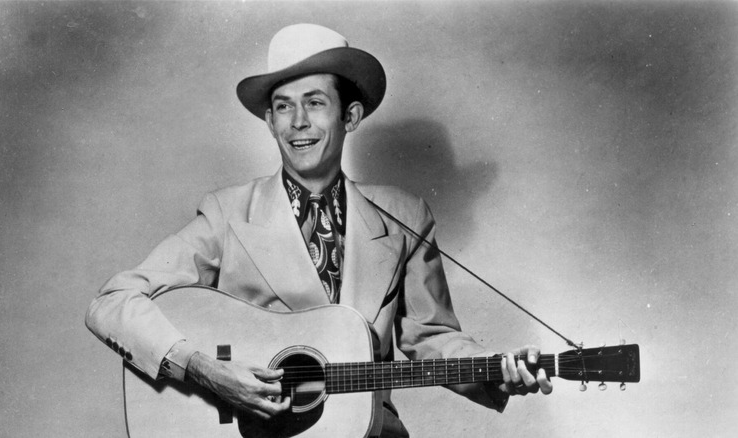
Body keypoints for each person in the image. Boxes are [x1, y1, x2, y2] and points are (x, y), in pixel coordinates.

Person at [85, 23, 552, 437]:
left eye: (315, 103)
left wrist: (495, 371)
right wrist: (205, 369)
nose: (298, 123)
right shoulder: (228, 213)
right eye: (283, 107)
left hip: (370, 431)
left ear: (350, 116)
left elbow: (430, 338)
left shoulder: (404, 217)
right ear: (269, 121)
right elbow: (112, 303)